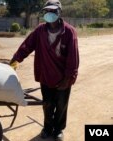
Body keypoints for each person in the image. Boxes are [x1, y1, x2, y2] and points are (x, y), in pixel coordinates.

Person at [9, 0, 79, 140]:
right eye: (47, 11)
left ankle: (58, 129)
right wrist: (15, 60)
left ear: (59, 12)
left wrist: (68, 78)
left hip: (62, 78)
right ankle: (47, 128)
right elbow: (26, 46)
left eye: (53, 11)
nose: (49, 14)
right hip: (46, 76)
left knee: (61, 105)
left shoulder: (69, 32)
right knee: (47, 105)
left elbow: (73, 58)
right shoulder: (40, 30)